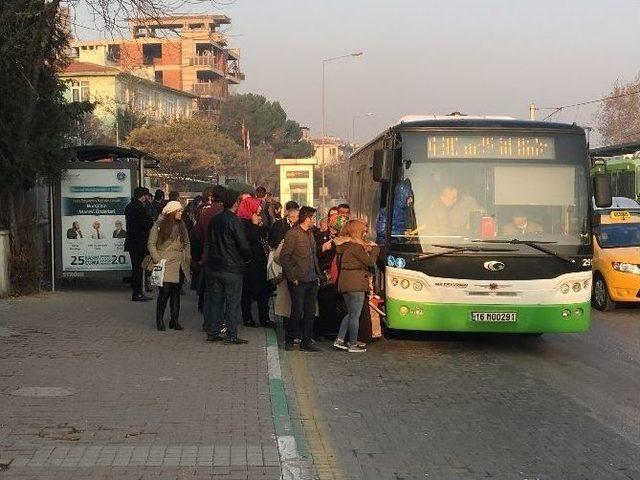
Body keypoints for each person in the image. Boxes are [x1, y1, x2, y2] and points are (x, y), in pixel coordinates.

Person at [203, 189, 252, 345]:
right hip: (232, 267)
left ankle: (213, 332)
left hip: (214, 266)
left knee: (216, 300)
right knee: (232, 301)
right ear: (236, 203)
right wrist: (248, 257)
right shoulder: (235, 221)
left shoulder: (215, 220)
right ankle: (231, 334)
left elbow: (209, 241)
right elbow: (243, 245)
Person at [333, 220, 380, 353]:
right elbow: (370, 262)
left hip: (345, 282)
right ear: (356, 231)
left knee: (350, 313)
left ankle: (340, 340)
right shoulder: (356, 247)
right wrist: (375, 250)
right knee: (355, 315)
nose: (365, 232)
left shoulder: (345, 246)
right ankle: (352, 343)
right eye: (363, 230)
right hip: (356, 283)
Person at [280, 206, 321, 352]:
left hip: (312, 279)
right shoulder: (293, 234)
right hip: (299, 280)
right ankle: (289, 340)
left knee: (310, 312)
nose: (314, 220)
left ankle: (306, 341)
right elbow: (285, 257)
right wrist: (292, 277)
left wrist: (317, 275)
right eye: (313, 218)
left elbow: (313, 255)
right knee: (297, 311)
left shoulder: (310, 233)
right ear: (307, 219)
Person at [147, 201, 190, 331]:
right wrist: (157, 259)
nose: (180, 213)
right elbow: (151, 244)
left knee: (176, 292)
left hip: (179, 263)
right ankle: (159, 320)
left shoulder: (182, 225)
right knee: (164, 292)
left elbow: (187, 242)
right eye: (178, 211)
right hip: (164, 263)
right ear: (171, 212)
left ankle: (174, 320)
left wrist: (187, 256)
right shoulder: (158, 225)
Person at [237, 196, 274, 328]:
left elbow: (265, 235)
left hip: (261, 262)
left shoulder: (258, 219)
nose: (260, 208)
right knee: (247, 292)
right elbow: (249, 240)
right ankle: (247, 318)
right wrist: (254, 225)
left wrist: (260, 225)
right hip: (249, 263)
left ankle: (264, 318)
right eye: (257, 206)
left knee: (264, 291)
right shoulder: (242, 222)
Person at [315, 209, 344, 338]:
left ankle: (335, 329)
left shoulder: (342, 238)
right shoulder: (321, 236)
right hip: (325, 275)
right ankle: (324, 329)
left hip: (339, 274)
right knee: (325, 301)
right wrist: (322, 249)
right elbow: (315, 253)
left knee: (337, 302)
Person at [125, 187, 154, 302]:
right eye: (146, 196)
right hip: (138, 242)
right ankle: (137, 293)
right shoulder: (138, 208)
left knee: (136, 267)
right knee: (138, 268)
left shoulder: (130, 206)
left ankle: (137, 291)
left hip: (133, 242)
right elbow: (146, 223)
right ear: (143, 196)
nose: (147, 198)